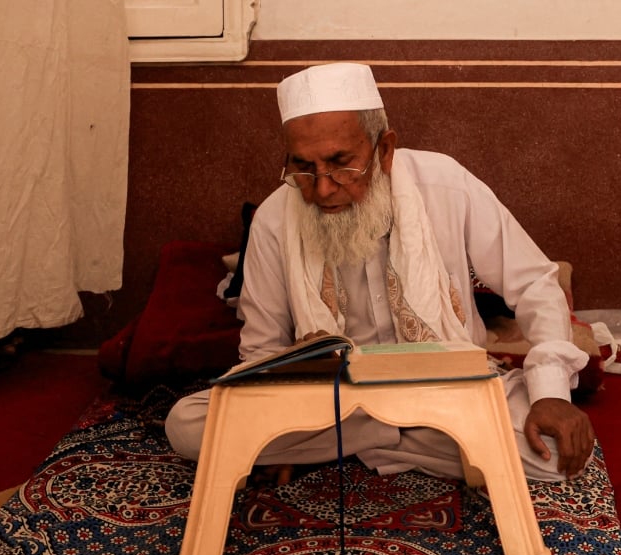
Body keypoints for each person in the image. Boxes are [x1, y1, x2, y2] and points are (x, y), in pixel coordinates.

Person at [165, 62, 594, 482]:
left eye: (340, 163)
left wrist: (551, 394)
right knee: (186, 425)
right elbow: (262, 351)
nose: (323, 188)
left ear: (384, 149)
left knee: (553, 453)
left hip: (449, 388)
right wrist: (276, 415)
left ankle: (349, 445)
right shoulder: (276, 219)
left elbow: (535, 282)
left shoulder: (446, 184)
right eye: (304, 167)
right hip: (329, 402)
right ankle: (413, 438)